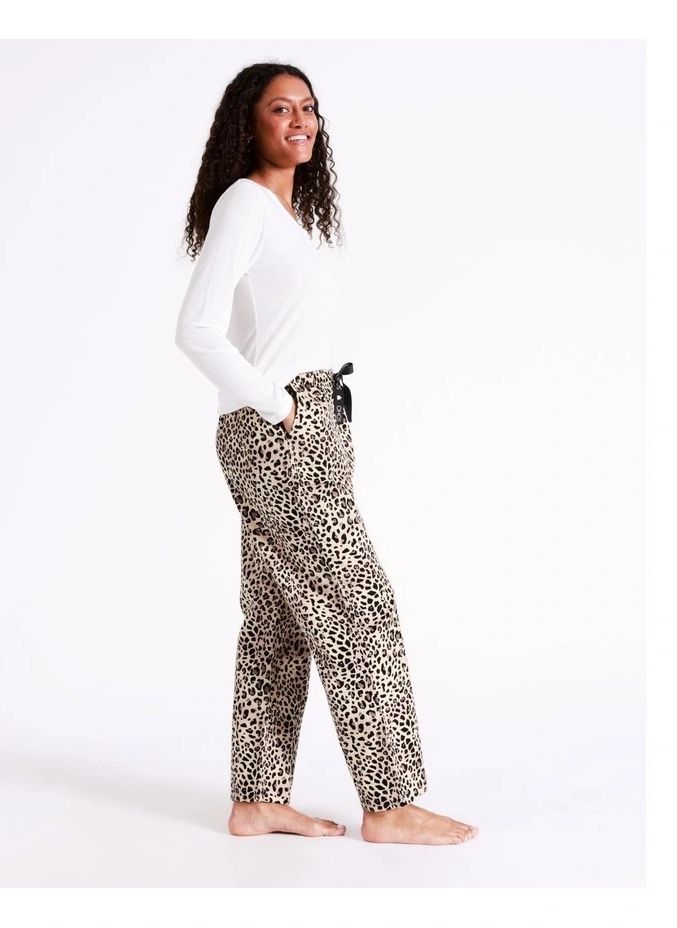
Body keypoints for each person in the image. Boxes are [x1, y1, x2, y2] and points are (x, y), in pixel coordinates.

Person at [174, 61, 478, 846]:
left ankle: (257, 799)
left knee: (277, 621)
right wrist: (281, 406)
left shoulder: (281, 217)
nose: (300, 120)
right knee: (359, 604)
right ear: (249, 123)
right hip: (281, 431)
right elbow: (196, 328)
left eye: (308, 107)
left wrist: (301, 414)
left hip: (297, 428)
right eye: (281, 108)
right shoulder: (245, 203)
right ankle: (391, 802)